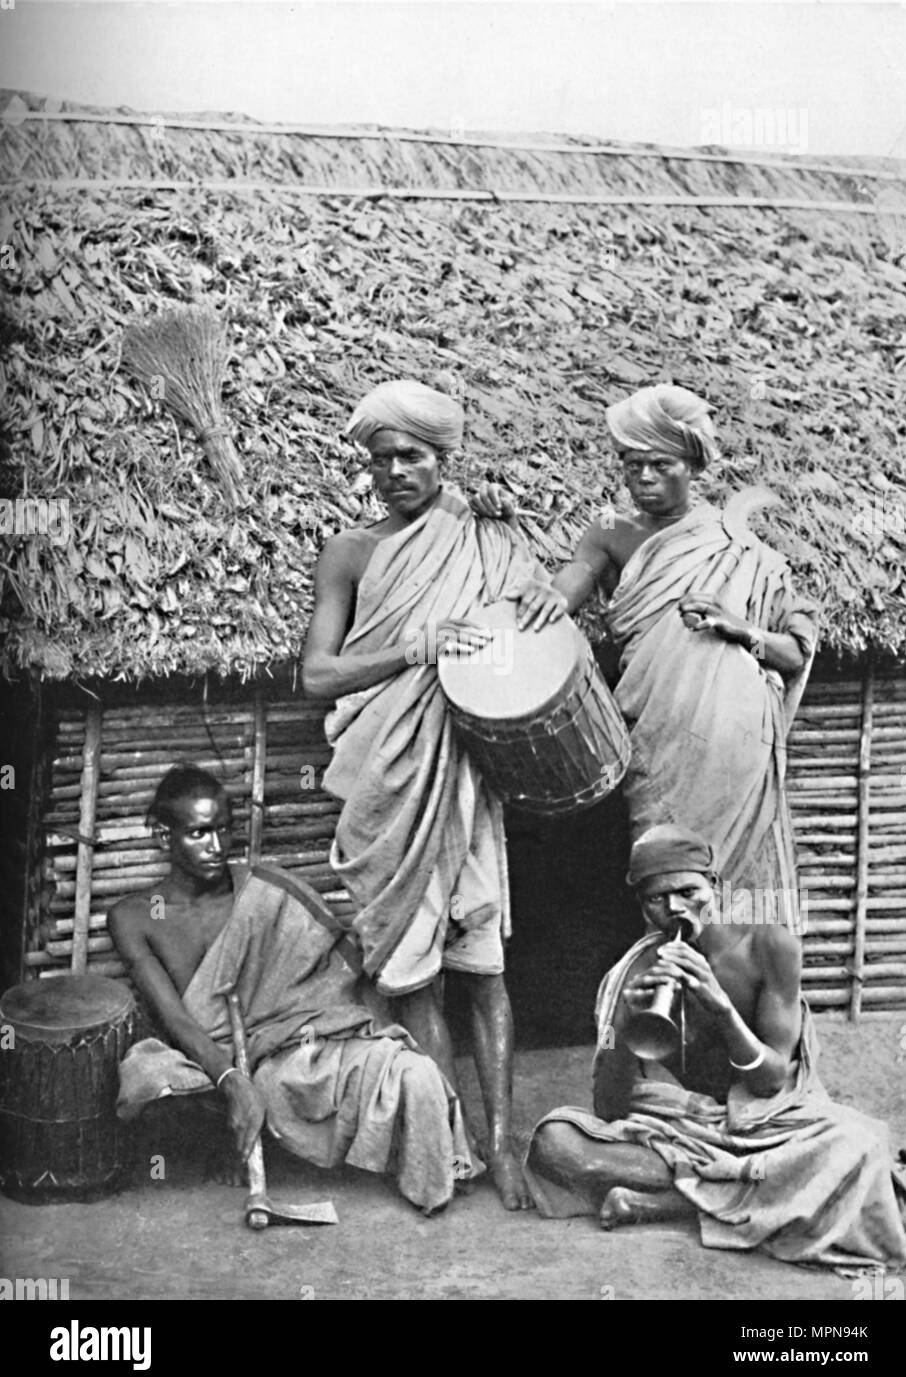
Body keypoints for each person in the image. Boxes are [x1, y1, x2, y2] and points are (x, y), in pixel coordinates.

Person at [300, 379, 540, 1210]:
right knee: (413, 973)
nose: (397, 470)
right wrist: (412, 647)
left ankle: (505, 1141)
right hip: (388, 784)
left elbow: (536, 634)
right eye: (382, 459)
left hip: (468, 779)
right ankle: (454, 1144)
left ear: (443, 459)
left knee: (482, 964)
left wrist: (539, 601)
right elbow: (318, 673)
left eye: (414, 456)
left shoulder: (485, 544)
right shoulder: (351, 553)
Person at [475, 383, 818, 929]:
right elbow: (569, 586)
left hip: (732, 744)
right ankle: (663, 1002)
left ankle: (744, 997)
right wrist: (537, 581)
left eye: (660, 465)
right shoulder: (613, 530)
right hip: (655, 739)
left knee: (736, 893)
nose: (643, 479)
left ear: (693, 465)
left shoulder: (742, 551)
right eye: (631, 465)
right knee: (661, 871)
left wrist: (739, 629)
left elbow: (794, 653)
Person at [523, 824, 906, 1268]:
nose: (675, 908)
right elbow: (609, 1108)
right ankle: (752, 1196)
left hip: (775, 1128)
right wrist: (625, 1029)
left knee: (858, 1146)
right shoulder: (631, 973)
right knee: (555, 1143)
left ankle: (671, 1204)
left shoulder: (770, 945)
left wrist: (721, 1007)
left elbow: (770, 1082)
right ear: (641, 906)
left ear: (714, 886)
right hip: (690, 1132)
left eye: (688, 891)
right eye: (656, 899)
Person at [110, 763, 481, 1215]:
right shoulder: (134, 917)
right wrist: (231, 1081)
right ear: (162, 836)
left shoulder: (265, 892)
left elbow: (336, 978)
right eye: (199, 833)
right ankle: (224, 1140)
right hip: (205, 1061)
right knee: (148, 1080)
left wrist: (364, 1038)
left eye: (225, 830)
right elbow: (177, 1020)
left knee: (409, 1073)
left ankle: (438, 1169)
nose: (216, 847)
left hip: (294, 1047)